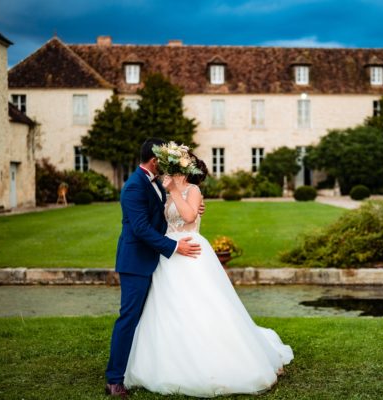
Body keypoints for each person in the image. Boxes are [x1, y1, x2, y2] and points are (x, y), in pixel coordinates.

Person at [124, 154, 293, 397]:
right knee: (168, 307)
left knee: (203, 304)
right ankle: (167, 361)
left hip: (191, 250)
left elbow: (190, 217)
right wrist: (168, 190)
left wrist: (173, 191)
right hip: (168, 251)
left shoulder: (193, 190)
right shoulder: (160, 187)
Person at [105, 138, 202, 397]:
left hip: (154, 261)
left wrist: (194, 206)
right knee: (129, 319)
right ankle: (114, 379)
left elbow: (167, 212)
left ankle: (156, 367)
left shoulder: (156, 183)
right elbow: (141, 229)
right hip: (136, 262)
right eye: (165, 159)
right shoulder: (135, 186)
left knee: (155, 318)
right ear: (155, 160)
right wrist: (174, 248)